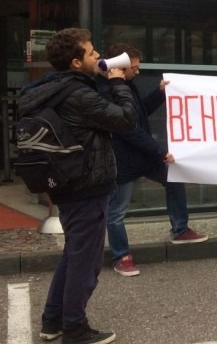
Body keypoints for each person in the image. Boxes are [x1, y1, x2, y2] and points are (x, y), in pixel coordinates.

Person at [20, 28, 137, 344]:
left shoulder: (52, 88)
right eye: (91, 52)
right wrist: (118, 83)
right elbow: (126, 119)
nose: (98, 55)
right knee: (85, 262)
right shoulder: (78, 94)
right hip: (87, 185)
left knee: (73, 254)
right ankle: (75, 328)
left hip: (67, 183)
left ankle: (53, 320)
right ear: (75, 62)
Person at [95, 44, 208, 277]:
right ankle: (121, 256)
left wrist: (159, 93)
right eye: (134, 67)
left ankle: (180, 229)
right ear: (119, 67)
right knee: (117, 212)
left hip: (142, 155)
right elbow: (127, 129)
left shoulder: (126, 85)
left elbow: (140, 113)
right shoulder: (105, 91)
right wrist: (159, 151)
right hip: (122, 159)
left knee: (173, 179)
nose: (137, 71)